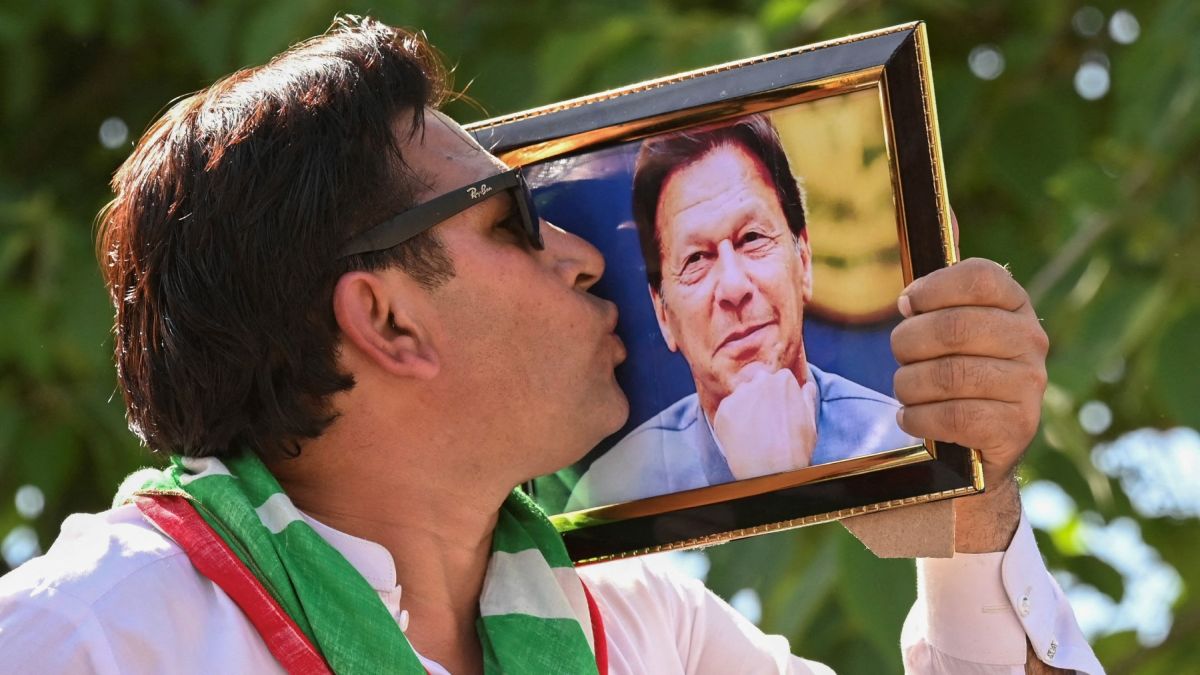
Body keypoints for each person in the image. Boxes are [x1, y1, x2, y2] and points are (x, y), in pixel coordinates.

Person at [0, 16, 1101, 675]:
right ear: (387, 319)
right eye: (513, 219)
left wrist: (968, 530)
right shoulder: (92, 637)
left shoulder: (632, 626)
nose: (583, 260)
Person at [568, 116, 914, 510]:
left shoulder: (903, 443)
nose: (734, 288)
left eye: (752, 239)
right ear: (663, 313)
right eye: (696, 258)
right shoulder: (612, 493)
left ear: (804, 262)